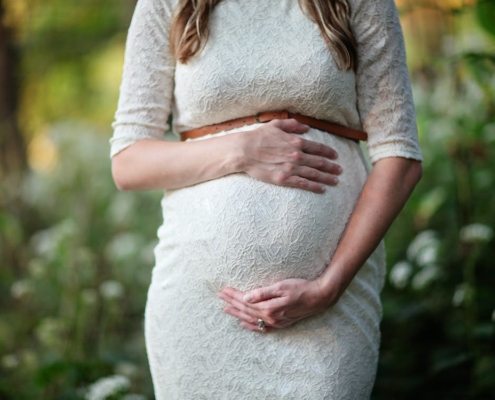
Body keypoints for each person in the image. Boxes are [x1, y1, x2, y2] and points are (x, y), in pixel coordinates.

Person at [110, 0, 423, 398]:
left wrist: (328, 287)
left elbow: (400, 156)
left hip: (330, 311)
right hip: (198, 309)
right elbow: (128, 162)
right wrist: (241, 150)